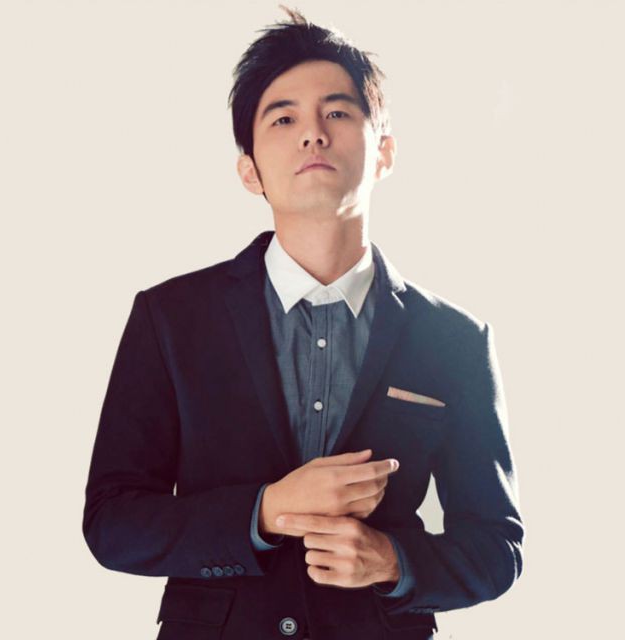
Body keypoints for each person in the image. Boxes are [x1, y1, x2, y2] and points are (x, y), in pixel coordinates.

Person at [82, 6, 524, 639]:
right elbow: (112, 523)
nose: (313, 134)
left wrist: (392, 561)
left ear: (384, 152)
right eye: (283, 118)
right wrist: (267, 511)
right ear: (250, 170)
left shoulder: (455, 340)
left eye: (337, 113)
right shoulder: (170, 317)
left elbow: (497, 547)